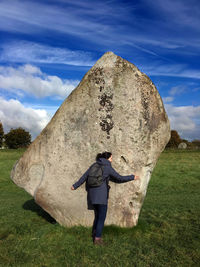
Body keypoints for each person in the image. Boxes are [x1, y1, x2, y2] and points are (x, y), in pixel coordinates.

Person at [71, 151, 139, 246]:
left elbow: (84, 176)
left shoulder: (94, 165)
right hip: (102, 197)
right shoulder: (108, 167)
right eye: (111, 158)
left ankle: (94, 233)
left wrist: (75, 186)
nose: (112, 160)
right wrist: (132, 177)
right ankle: (97, 240)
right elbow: (119, 178)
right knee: (101, 218)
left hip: (92, 196)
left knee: (98, 216)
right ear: (107, 159)